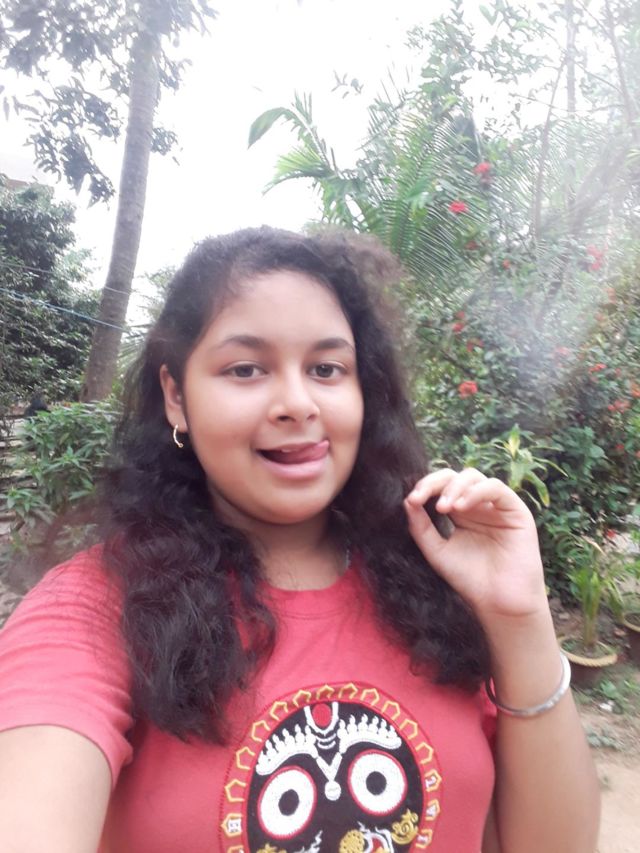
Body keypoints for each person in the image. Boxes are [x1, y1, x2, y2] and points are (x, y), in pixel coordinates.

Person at [0, 227, 599, 852]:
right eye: (246, 369)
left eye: (326, 369)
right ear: (177, 396)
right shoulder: (94, 610)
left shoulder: (433, 590)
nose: (297, 403)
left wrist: (520, 622)